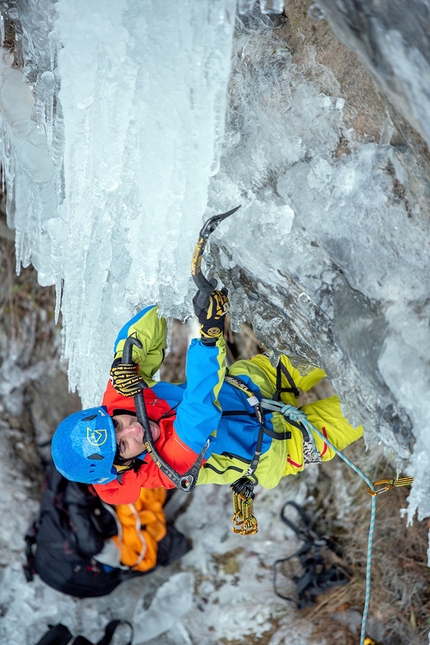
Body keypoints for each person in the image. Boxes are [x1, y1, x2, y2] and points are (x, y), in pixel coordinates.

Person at [52, 291, 363, 506]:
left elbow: (153, 320)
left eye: (117, 424)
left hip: (253, 384)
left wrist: (125, 357)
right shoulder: (165, 469)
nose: (132, 429)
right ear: (121, 465)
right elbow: (197, 413)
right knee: (371, 408)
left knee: (338, 336)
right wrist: (208, 338)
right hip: (280, 446)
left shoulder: (122, 399)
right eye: (122, 445)